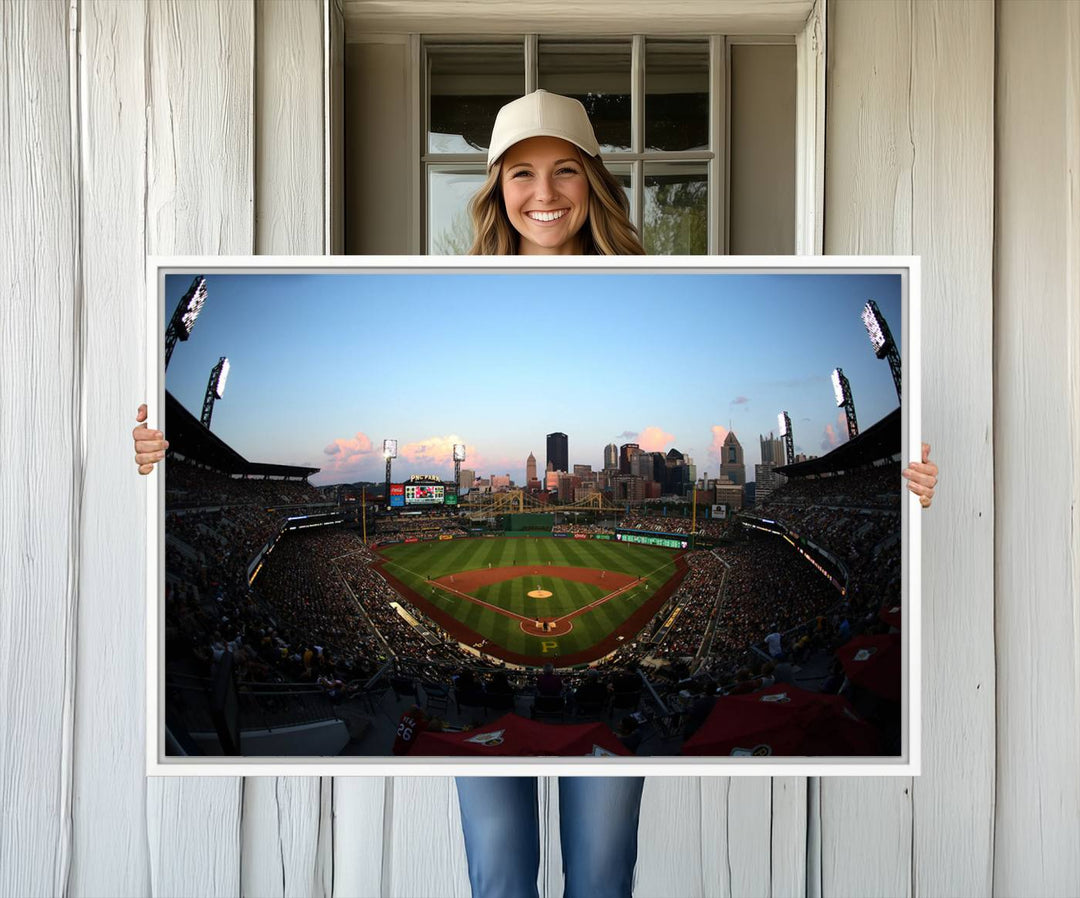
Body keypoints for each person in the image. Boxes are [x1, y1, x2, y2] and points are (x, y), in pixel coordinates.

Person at [132, 89, 940, 898]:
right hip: (504, 724)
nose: (544, 193)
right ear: (495, 188)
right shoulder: (456, 284)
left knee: (599, 872)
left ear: (594, 181)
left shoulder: (654, 283)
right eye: (521, 173)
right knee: (501, 873)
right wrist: (158, 459)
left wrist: (909, 484)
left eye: (564, 171)